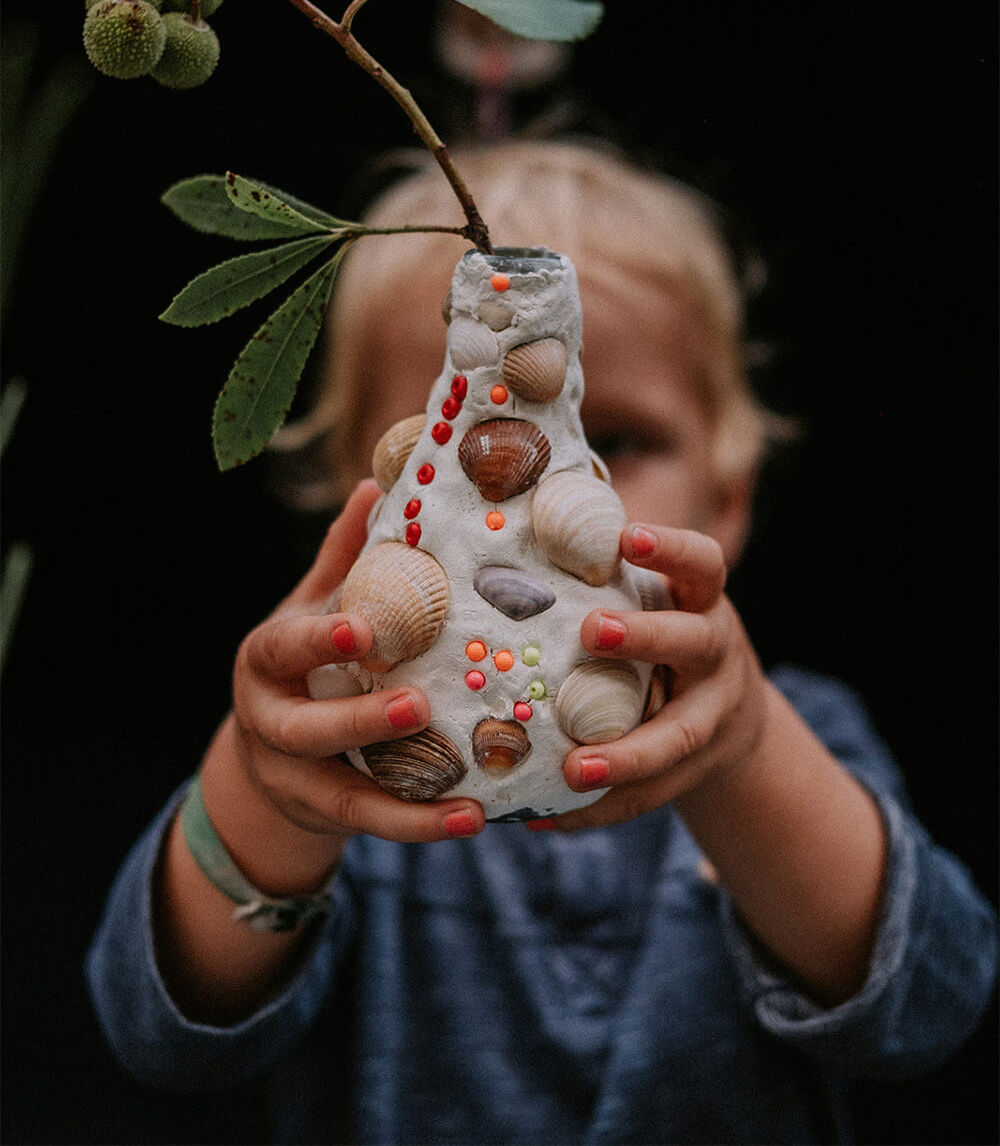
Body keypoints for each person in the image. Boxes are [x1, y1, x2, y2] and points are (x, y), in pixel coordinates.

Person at [87, 141, 997, 1145]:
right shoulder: (348, 753)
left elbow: (931, 1003)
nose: (530, 501)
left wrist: (741, 751)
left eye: (619, 442)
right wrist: (267, 790)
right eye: (448, 448)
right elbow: (159, 1033)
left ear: (728, 498)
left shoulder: (802, 726)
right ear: (365, 502)